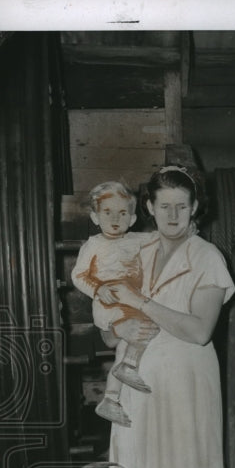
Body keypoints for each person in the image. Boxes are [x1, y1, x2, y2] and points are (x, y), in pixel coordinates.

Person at [100, 165, 235, 468]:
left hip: (185, 386)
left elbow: (199, 331)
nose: (173, 214)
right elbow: (107, 315)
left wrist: (143, 303)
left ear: (195, 207)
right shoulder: (138, 250)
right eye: (164, 206)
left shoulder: (207, 258)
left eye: (182, 205)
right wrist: (118, 325)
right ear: (150, 209)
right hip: (138, 384)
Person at [71, 180, 155, 426]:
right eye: (107, 212)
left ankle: (110, 398)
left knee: (127, 345)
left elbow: (160, 239)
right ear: (95, 217)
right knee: (144, 327)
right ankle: (126, 368)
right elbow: (77, 275)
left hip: (130, 300)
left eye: (122, 213)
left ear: (131, 219)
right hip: (109, 304)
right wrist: (98, 288)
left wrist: (187, 232)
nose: (115, 218)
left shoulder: (137, 239)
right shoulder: (94, 244)